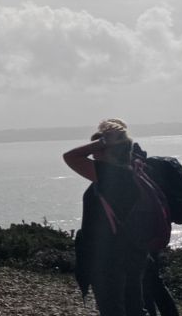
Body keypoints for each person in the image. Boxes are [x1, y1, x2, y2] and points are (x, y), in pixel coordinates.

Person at [61, 119, 150, 316]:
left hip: (109, 254)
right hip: (133, 251)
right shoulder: (133, 171)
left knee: (112, 308)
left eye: (98, 149)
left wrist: (102, 142)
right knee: (133, 305)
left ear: (106, 150)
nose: (92, 154)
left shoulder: (111, 175)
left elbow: (70, 157)